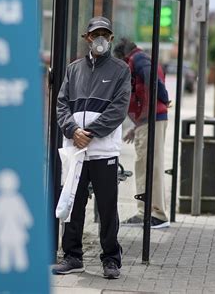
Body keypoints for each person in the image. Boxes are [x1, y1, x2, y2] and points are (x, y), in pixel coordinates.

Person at [52, 16, 131, 279]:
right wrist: (73, 131)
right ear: (87, 38)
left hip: (104, 150)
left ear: (110, 38)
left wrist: (92, 133)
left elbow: (119, 109)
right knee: (74, 204)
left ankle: (111, 260)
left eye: (104, 35)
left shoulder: (121, 70)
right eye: (95, 34)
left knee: (108, 206)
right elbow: (61, 104)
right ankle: (72, 257)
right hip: (75, 150)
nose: (100, 39)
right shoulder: (73, 69)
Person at [113, 37, 170, 229]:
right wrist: (137, 126)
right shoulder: (139, 59)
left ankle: (157, 214)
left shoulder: (138, 60)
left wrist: (164, 98)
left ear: (122, 55)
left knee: (150, 166)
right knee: (144, 165)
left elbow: (151, 82)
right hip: (147, 121)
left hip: (152, 120)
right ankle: (145, 211)